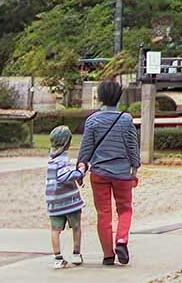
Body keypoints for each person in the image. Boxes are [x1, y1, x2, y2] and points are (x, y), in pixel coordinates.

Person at [77, 79, 140, 266]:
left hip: (99, 173)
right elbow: (132, 147)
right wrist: (134, 169)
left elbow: (86, 149)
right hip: (122, 173)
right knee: (125, 209)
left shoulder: (93, 121)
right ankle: (121, 240)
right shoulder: (126, 119)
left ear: (101, 97)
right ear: (119, 97)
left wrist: (80, 168)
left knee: (103, 213)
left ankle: (107, 254)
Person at [44, 125, 84, 269]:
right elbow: (64, 176)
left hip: (54, 201)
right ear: (67, 142)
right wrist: (80, 172)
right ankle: (76, 253)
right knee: (76, 227)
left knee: (55, 230)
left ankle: (58, 257)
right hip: (69, 201)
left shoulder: (51, 160)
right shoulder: (62, 160)